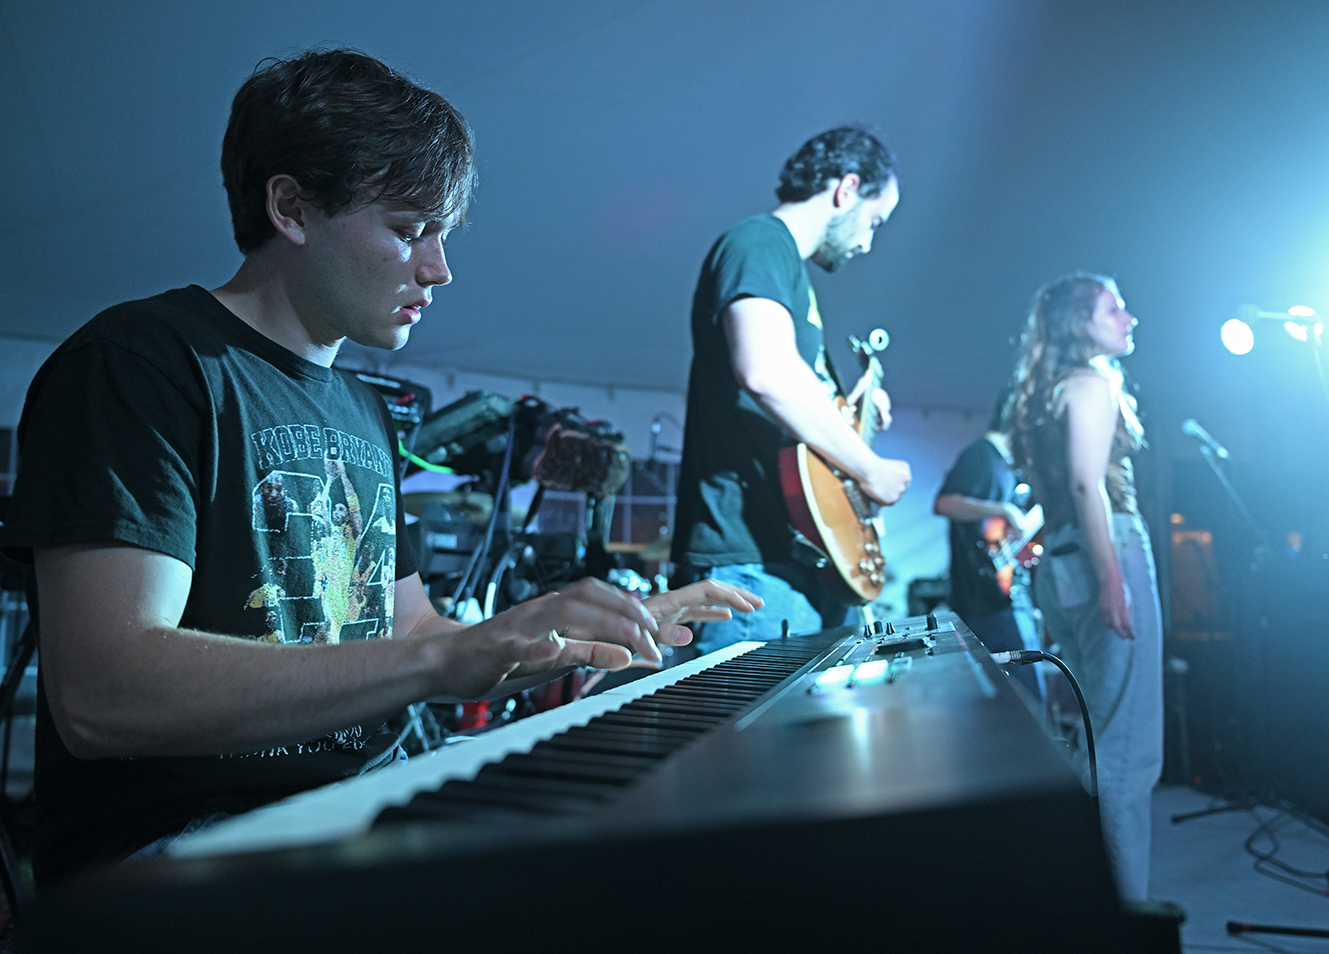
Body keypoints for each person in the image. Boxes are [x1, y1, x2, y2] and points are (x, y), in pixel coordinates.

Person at [0, 48, 761, 887]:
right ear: (290, 206)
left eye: (441, 234)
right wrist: (440, 663)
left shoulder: (361, 408)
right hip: (178, 848)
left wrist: (585, 629)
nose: (438, 269)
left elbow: (411, 630)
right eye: (407, 230)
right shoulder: (144, 365)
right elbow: (105, 694)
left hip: (357, 803)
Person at [672, 127, 912, 650]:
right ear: (847, 189)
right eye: (874, 221)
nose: (868, 241)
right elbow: (766, 373)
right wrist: (869, 469)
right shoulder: (758, 243)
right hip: (751, 567)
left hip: (794, 559)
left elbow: (794, 398)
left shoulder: (789, 276)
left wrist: (851, 411)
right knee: (746, 734)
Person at [1006, 273, 1162, 900]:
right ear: (1080, 323)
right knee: (1125, 751)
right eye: (1112, 308)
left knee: (1095, 740)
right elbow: (1084, 484)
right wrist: (1113, 581)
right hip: (1107, 554)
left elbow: (1059, 496)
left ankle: (1083, 896)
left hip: (1063, 563)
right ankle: (1124, 920)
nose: (1129, 318)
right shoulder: (1092, 383)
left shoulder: (1045, 394)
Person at [932, 398, 1043, 701]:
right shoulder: (981, 455)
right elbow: (944, 503)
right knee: (1026, 701)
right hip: (985, 600)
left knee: (1027, 696)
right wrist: (1003, 508)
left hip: (1007, 595)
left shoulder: (1008, 466)